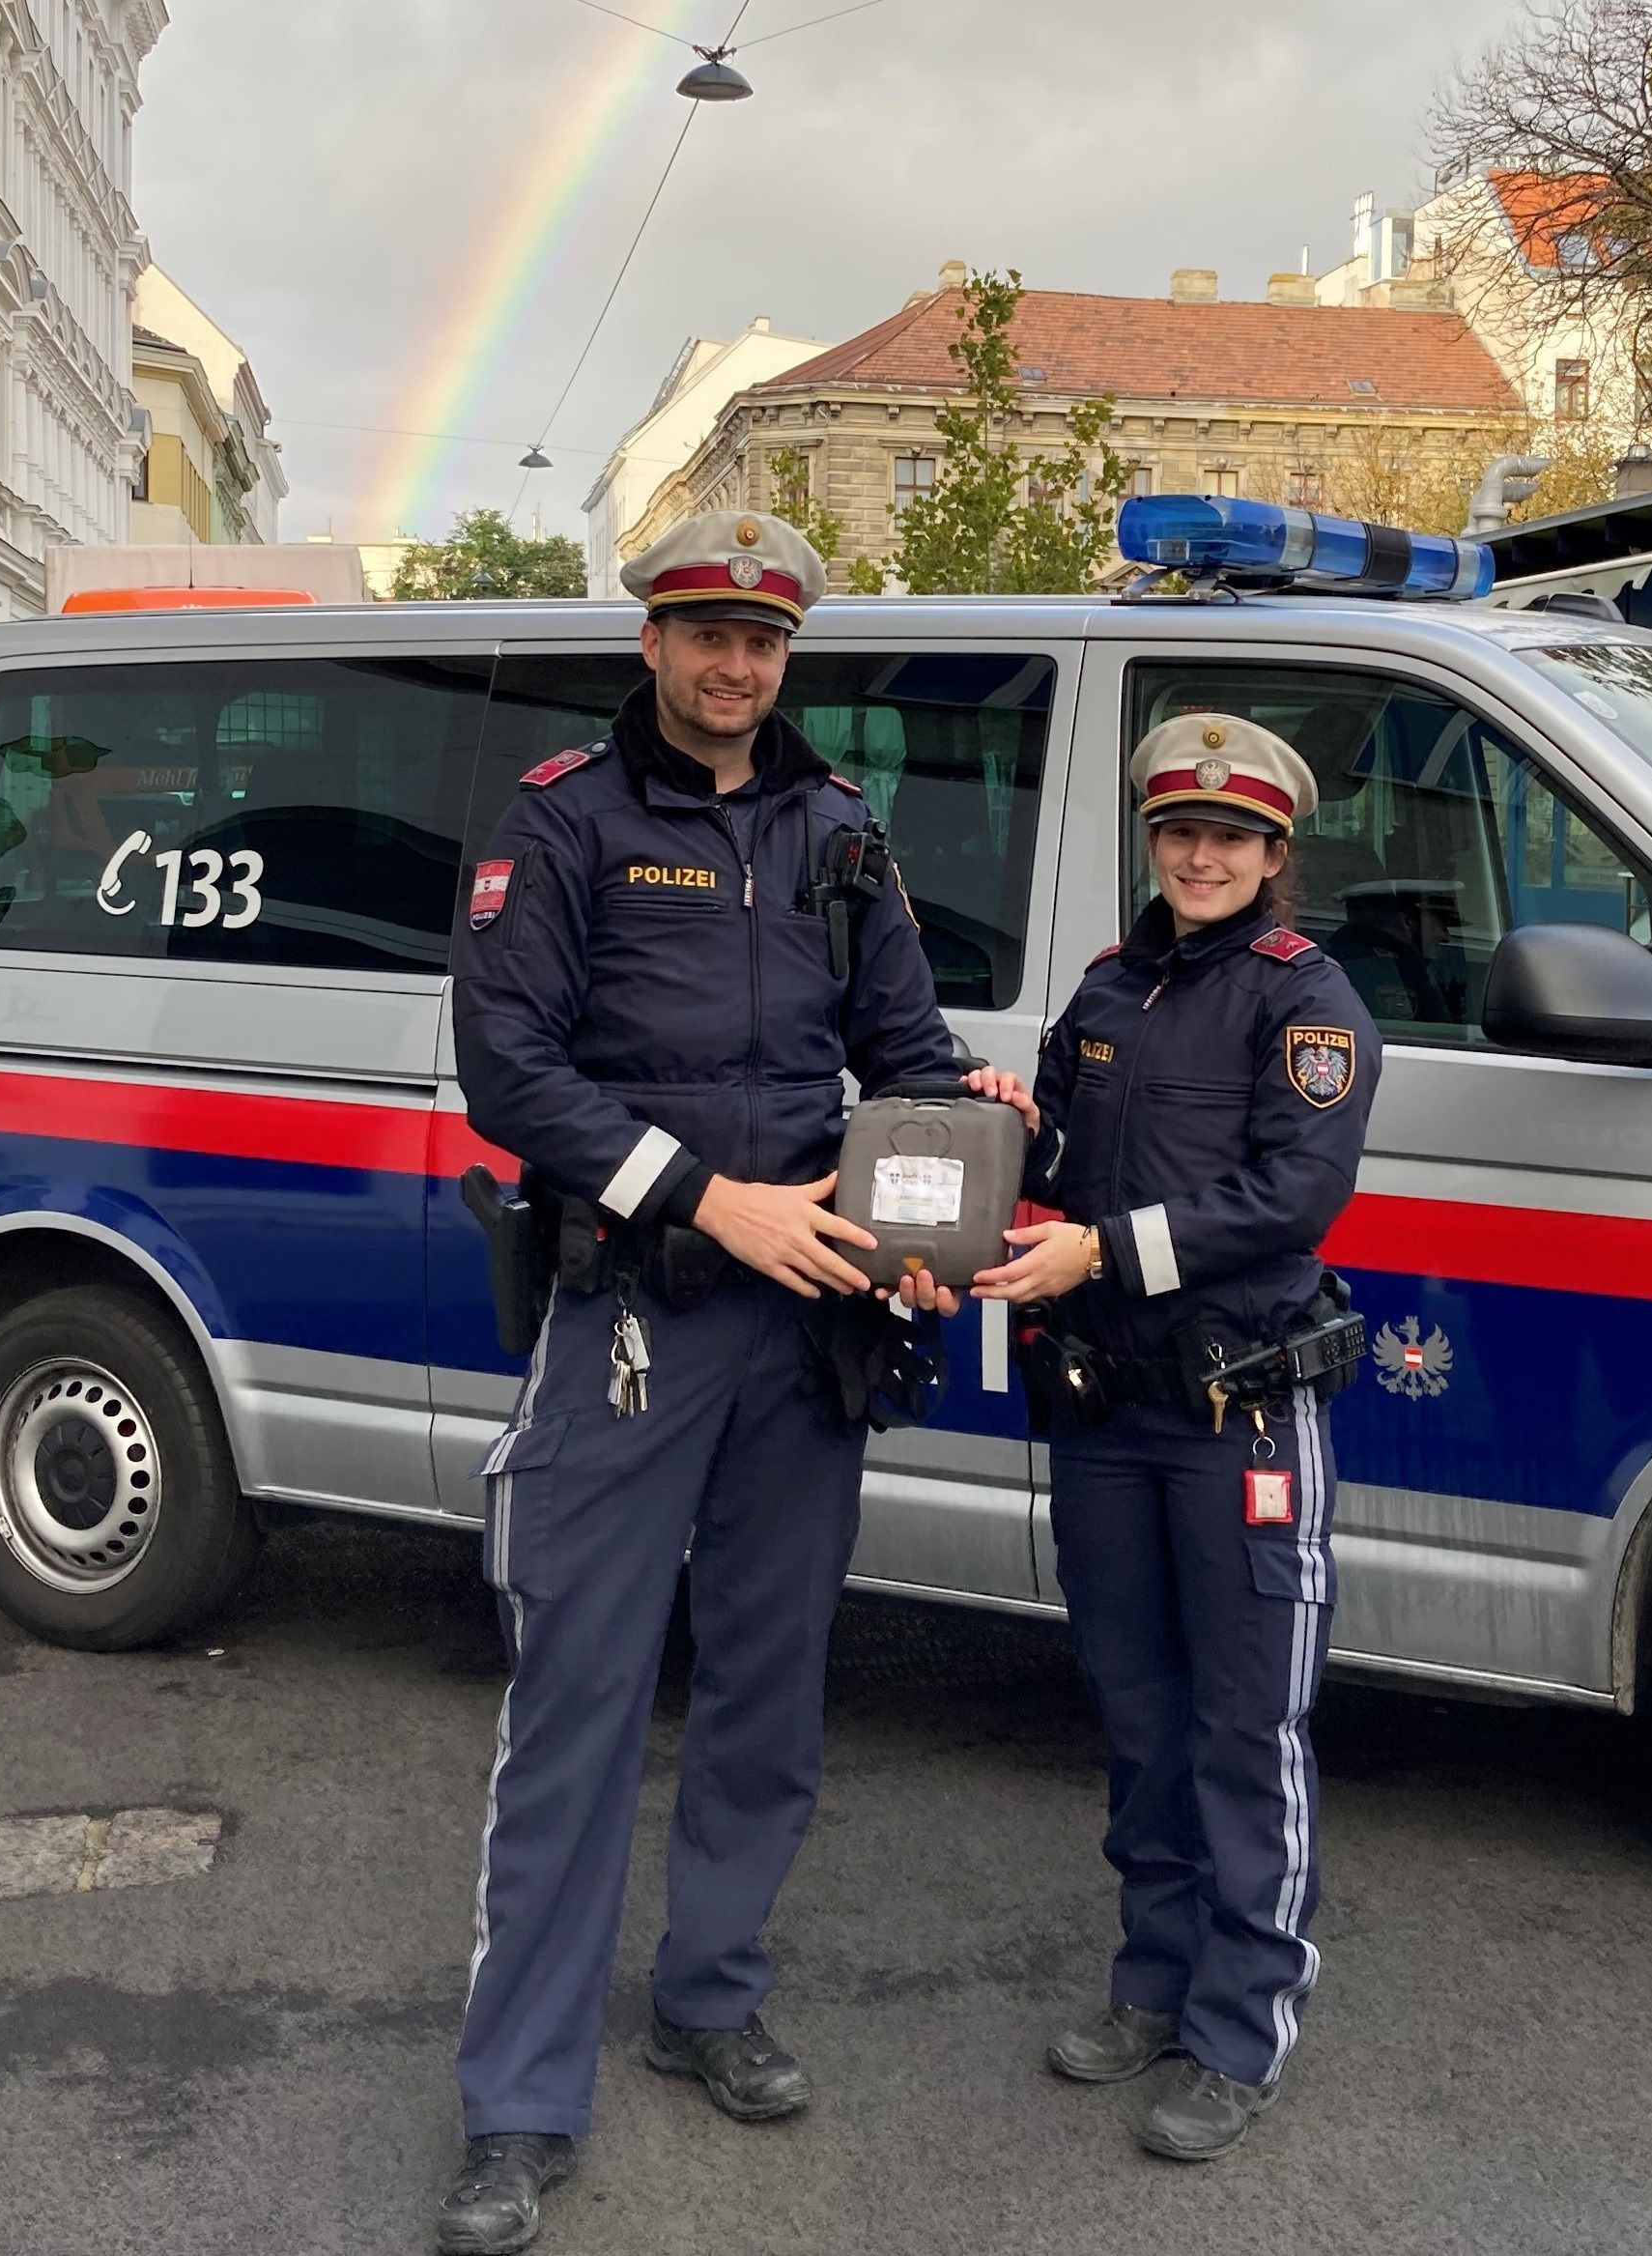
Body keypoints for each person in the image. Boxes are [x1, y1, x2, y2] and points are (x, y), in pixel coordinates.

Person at [437, 507, 1027, 2255]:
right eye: (705, 633)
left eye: (762, 642)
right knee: (579, 1709)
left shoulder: (841, 833)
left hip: (810, 1331)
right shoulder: (564, 820)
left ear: (788, 659)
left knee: (768, 1695)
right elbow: (505, 1069)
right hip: (636, 1316)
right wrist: (707, 1198)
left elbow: (903, 1055)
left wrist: (957, 1152)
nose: (734, 665)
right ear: (653, 644)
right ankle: (518, 2103)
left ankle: (709, 1998)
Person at [973, 713, 1381, 2163]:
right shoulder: (1103, 988)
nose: (1201, 854)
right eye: (1179, 831)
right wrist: (1005, 1134)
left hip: (1239, 1415)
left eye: (1232, 836)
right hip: (1108, 1413)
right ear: (1153, 840)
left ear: (1276, 855)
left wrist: (1100, 1253)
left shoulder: (1305, 1001)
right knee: (1136, 1717)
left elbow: (1288, 1198)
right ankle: (1150, 1985)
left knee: (1240, 1728)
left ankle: (1238, 2026)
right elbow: (1063, 1173)